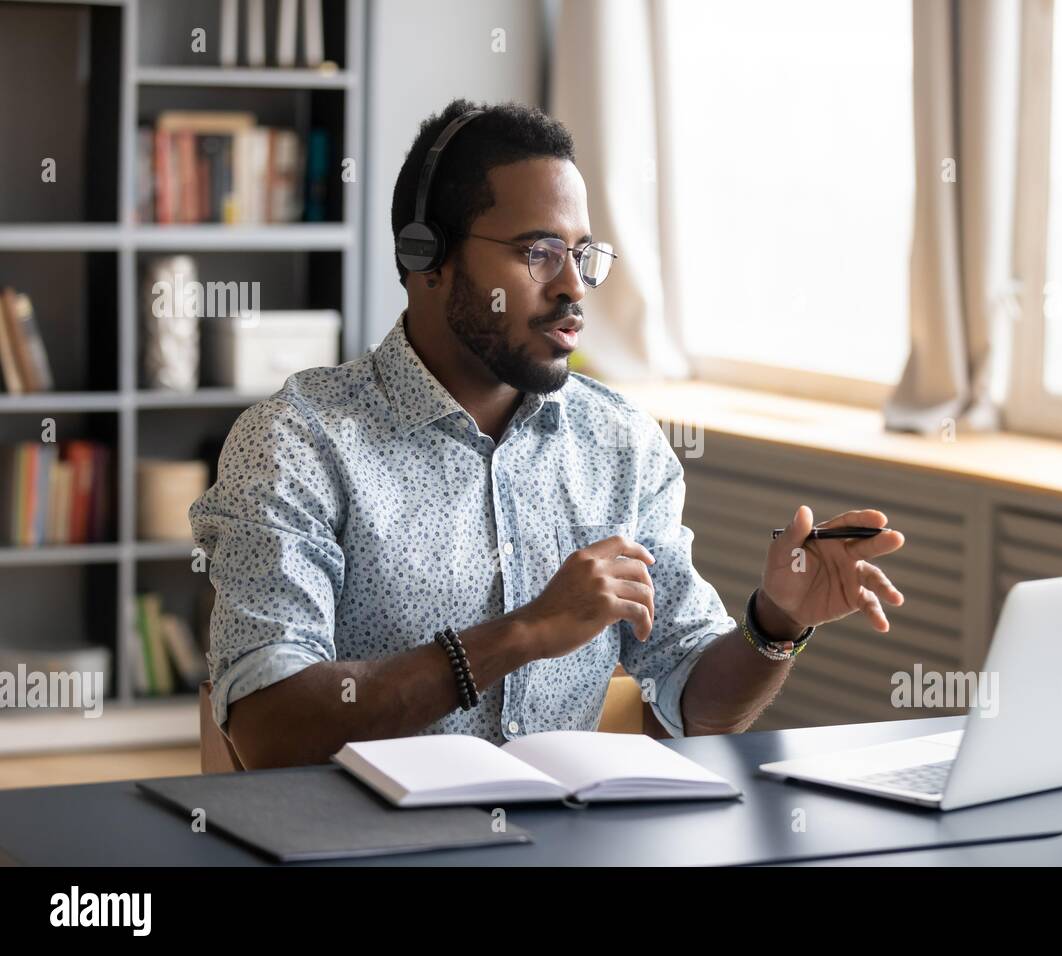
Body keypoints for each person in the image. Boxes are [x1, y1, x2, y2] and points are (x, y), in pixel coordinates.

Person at [190, 98, 906, 769]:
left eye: (583, 254)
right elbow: (269, 729)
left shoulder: (618, 443)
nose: (574, 287)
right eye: (538, 253)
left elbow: (697, 702)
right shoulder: (297, 443)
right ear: (426, 258)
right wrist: (524, 633)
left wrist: (775, 623)